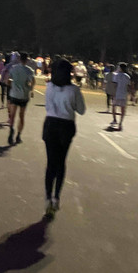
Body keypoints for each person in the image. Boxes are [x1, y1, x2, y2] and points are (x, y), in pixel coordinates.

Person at [43, 58, 86, 217]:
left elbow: (48, 106)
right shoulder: (73, 90)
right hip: (66, 126)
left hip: (50, 124)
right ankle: (56, 197)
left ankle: (47, 197)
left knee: (50, 163)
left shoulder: (49, 87)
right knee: (61, 162)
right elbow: (81, 110)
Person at [7, 52, 35, 145]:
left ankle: (11, 130)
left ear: (19, 59)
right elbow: (31, 82)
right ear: (27, 60)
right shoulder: (29, 70)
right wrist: (31, 90)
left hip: (14, 94)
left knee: (12, 114)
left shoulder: (14, 68)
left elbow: (9, 79)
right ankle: (18, 135)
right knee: (21, 116)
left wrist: (11, 86)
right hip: (24, 95)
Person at [111, 63, 131, 130]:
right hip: (124, 94)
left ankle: (114, 119)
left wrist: (113, 93)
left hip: (117, 93)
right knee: (123, 109)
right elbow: (128, 86)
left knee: (114, 106)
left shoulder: (116, 75)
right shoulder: (127, 76)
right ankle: (120, 123)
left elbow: (114, 85)